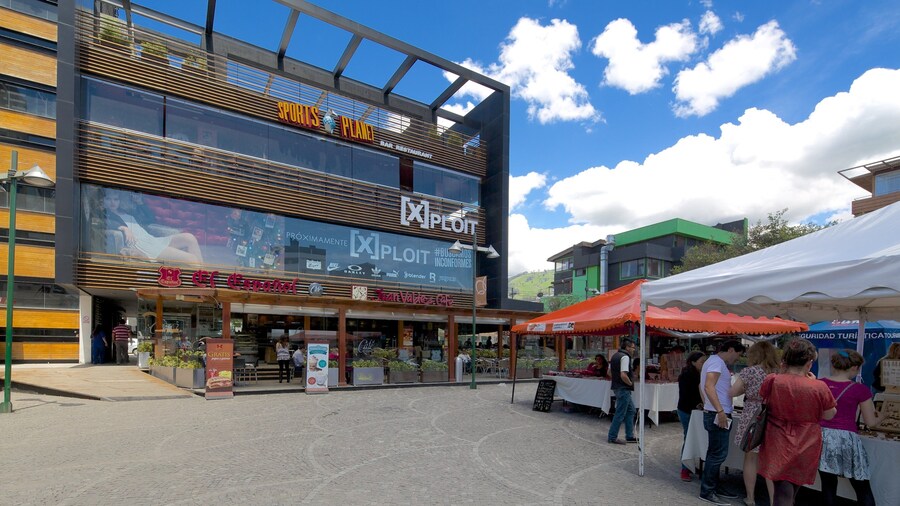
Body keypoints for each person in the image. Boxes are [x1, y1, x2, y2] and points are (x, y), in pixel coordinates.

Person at [758, 339, 836, 506]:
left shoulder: (773, 380)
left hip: (777, 438)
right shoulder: (818, 386)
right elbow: (829, 414)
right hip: (807, 441)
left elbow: (763, 399)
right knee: (791, 489)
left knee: (782, 490)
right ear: (809, 363)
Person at [818, 349, 881, 506]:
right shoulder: (860, 389)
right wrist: (884, 416)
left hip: (821, 436)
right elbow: (871, 422)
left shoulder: (819, 384)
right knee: (862, 486)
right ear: (854, 368)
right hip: (847, 439)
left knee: (828, 486)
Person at [729, 341, 779, 506]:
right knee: (771, 461)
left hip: (753, 414)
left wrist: (748, 389)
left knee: (750, 457)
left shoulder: (750, 371)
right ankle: (773, 501)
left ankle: (750, 498)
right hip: (774, 414)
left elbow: (733, 392)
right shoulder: (779, 372)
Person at [698, 339, 745, 505]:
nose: (737, 359)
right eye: (738, 355)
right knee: (718, 454)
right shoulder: (716, 363)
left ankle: (713, 486)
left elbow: (704, 386)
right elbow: (708, 386)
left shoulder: (714, 362)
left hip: (715, 411)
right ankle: (708, 490)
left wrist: (709, 406)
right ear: (731, 349)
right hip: (718, 413)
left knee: (714, 453)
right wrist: (719, 410)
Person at [103, 191, 204, 263]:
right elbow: (101, 222)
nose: (112, 202)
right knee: (191, 259)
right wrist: (123, 228)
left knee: (189, 237)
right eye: (108, 199)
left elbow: (150, 219)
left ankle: (203, 277)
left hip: (152, 240)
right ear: (102, 200)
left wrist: (140, 203)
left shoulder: (127, 212)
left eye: (115, 199)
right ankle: (201, 282)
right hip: (144, 246)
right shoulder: (105, 214)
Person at [676, 351, 706, 482]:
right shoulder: (687, 375)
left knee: (697, 438)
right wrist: (698, 403)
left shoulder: (701, 374)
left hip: (695, 410)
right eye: (701, 362)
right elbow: (686, 395)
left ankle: (690, 465)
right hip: (686, 410)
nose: (704, 364)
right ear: (693, 362)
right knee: (688, 438)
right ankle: (685, 468)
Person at [607, 338, 638, 445]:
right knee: (620, 413)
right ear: (627, 347)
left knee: (631, 410)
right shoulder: (625, 357)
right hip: (623, 388)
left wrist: (616, 380)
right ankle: (612, 436)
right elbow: (623, 375)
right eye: (632, 347)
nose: (634, 349)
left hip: (617, 387)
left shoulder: (614, 356)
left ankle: (629, 435)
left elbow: (609, 372)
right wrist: (629, 383)